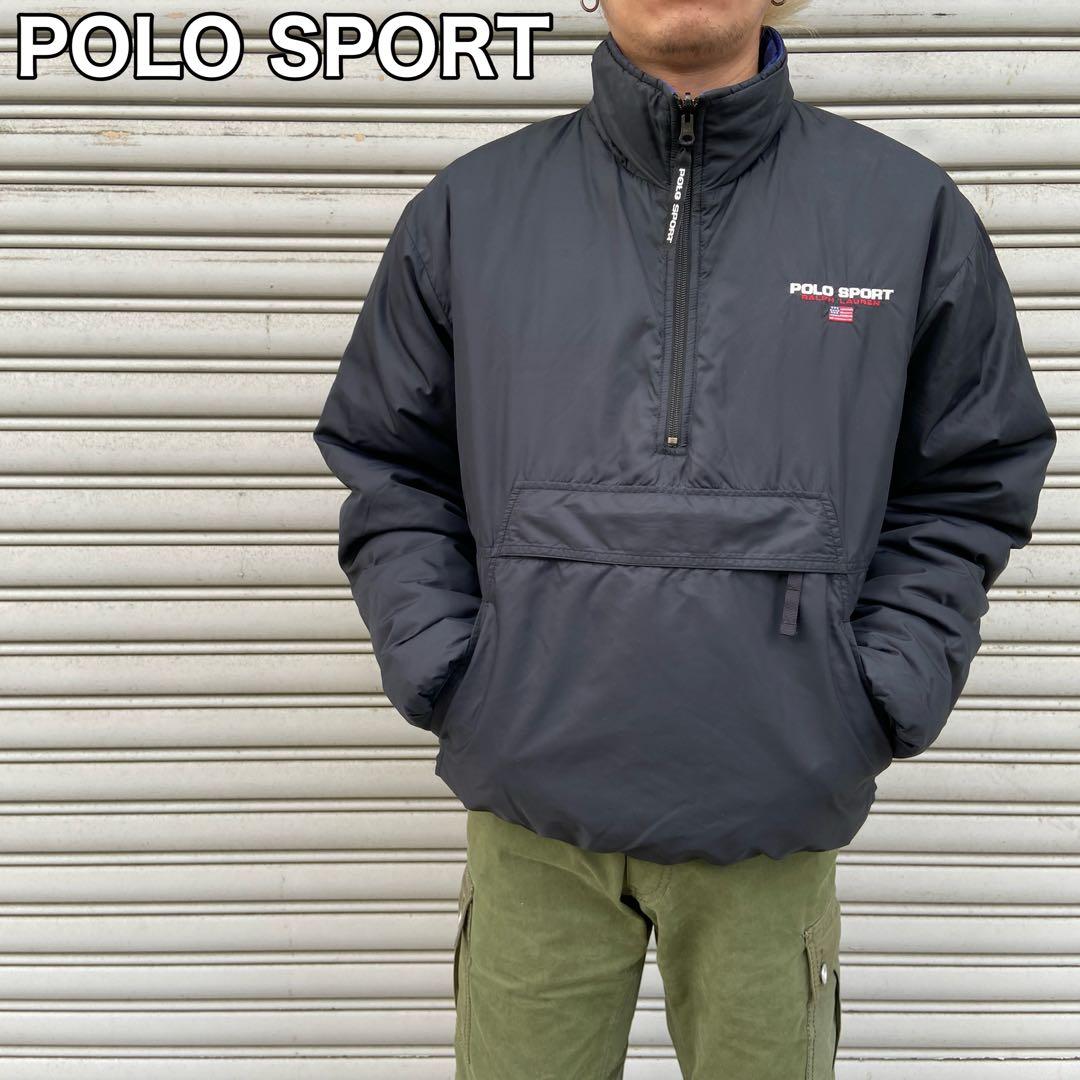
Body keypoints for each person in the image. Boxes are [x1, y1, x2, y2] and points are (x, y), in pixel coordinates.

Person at [313, 0, 1056, 1075]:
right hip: (533, 808)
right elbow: (390, 463)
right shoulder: (473, 211)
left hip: (776, 801)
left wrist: (884, 686)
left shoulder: (903, 213)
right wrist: (449, 669)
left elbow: (971, 477)